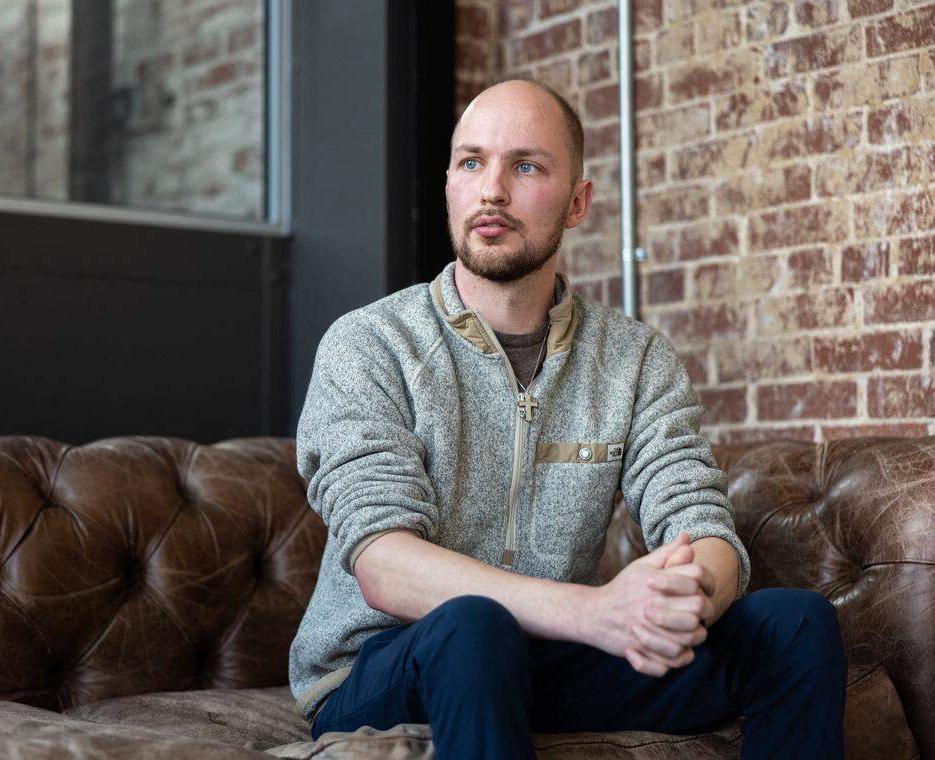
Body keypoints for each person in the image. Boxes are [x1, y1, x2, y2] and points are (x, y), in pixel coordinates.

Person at [287, 78, 846, 759]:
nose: (491, 189)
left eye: (525, 165)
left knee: (795, 624)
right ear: (449, 186)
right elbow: (383, 564)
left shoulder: (634, 359)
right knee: (474, 627)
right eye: (471, 162)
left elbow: (703, 524)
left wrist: (683, 594)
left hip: (549, 656)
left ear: (578, 202)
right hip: (380, 668)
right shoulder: (370, 345)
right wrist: (595, 612)